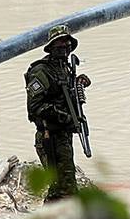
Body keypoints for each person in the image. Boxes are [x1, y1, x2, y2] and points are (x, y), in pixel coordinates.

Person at [24, 25, 91, 203]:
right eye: (60, 44)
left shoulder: (65, 69)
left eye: (67, 44)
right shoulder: (42, 71)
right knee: (64, 189)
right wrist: (64, 118)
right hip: (50, 137)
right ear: (52, 47)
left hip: (63, 136)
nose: (64, 48)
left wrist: (78, 83)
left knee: (62, 187)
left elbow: (65, 95)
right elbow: (34, 107)